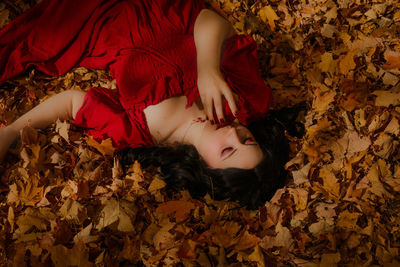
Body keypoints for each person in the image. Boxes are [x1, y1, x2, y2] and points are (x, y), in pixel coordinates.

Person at [0, 0, 292, 208]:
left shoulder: (141, 136)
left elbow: (73, 102)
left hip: (106, 19)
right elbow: (208, 19)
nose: (232, 133)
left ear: (206, 169)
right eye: (247, 140)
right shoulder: (242, 102)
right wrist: (208, 68)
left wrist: (11, 131)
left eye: (228, 150)